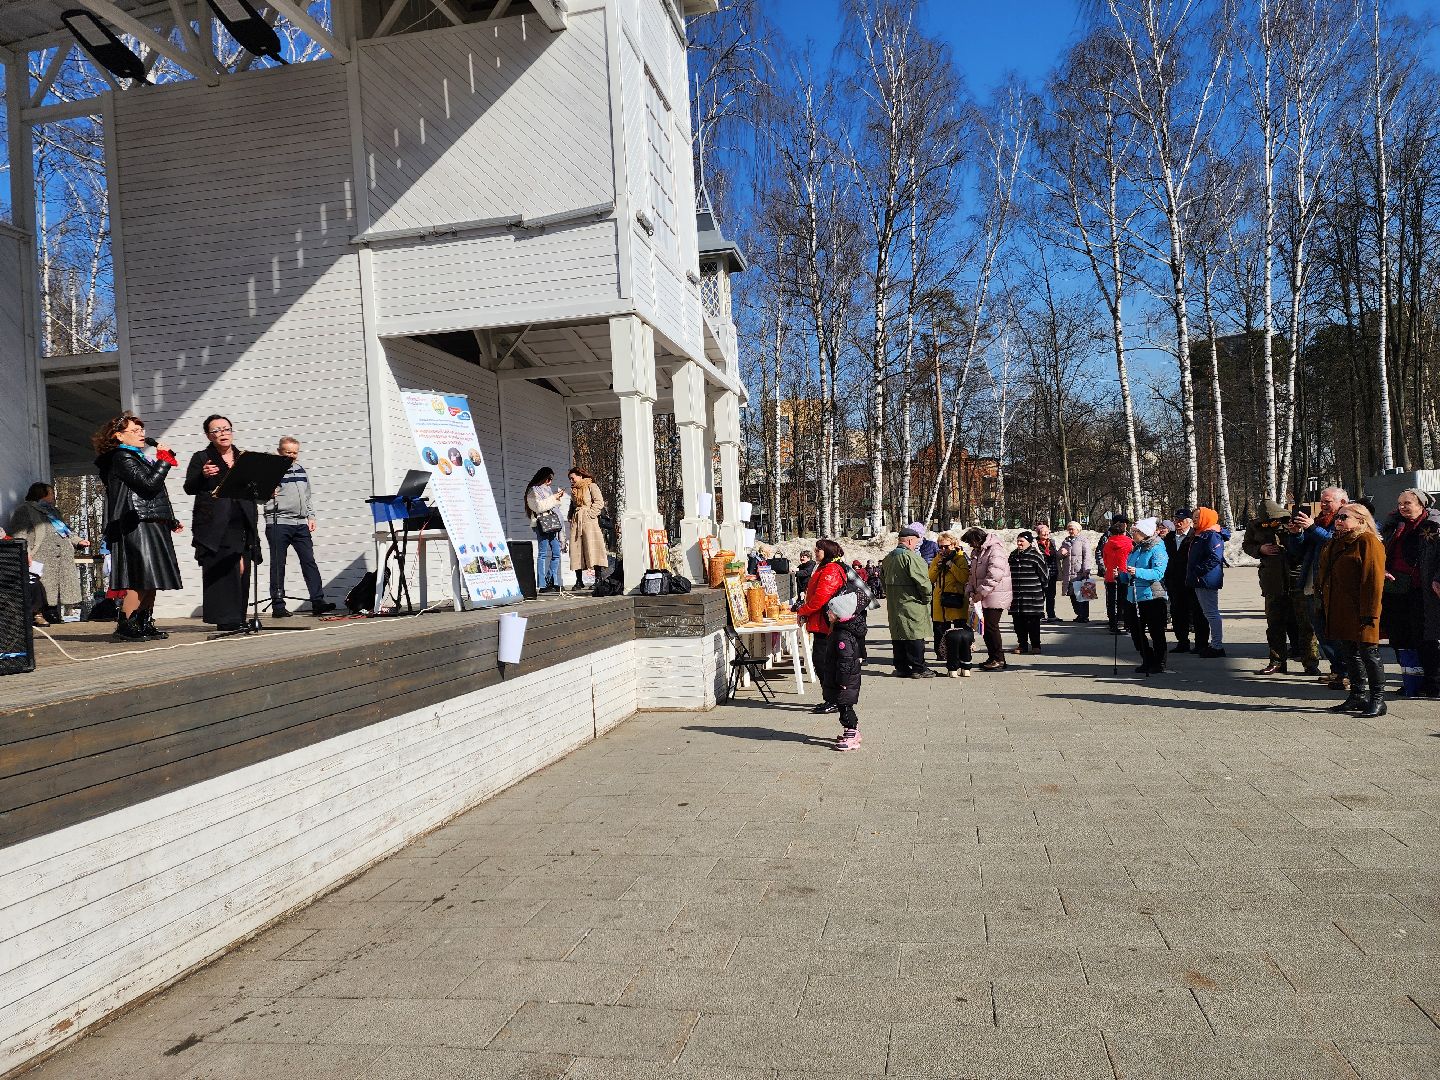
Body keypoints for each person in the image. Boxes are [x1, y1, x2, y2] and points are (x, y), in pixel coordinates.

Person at [93, 412, 182, 641]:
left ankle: (144, 622)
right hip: (135, 522)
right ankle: (127, 625)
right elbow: (149, 485)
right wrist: (164, 461)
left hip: (150, 521)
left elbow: (154, 494)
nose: (141, 434)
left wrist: (169, 518)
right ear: (119, 436)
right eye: (135, 430)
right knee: (139, 577)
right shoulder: (121, 457)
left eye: (142, 430)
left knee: (151, 577)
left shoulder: (137, 457)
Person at [184, 415, 261, 631]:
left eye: (226, 429)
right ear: (209, 435)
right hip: (215, 524)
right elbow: (189, 488)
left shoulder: (243, 457)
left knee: (242, 567)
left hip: (242, 520)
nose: (222, 433)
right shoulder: (201, 458)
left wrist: (266, 489)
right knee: (226, 567)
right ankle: (225, 618)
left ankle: (237, 615)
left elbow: (254, 486)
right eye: (216, 430)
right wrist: (202, 475)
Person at [1318, 503, 1387, 716]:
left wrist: (1370, 612)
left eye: (1344, 517)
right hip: (1341, 607)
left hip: (1362, 609)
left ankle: (1378, 700)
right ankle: (1357, 696)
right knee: (1350, 652)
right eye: (1338, 517)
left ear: (1361, 520)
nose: (1338, 520)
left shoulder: (1368, 541)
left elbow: (1373, 580)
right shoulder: (1336, 541)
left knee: (1369, 652)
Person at [264, 438, 335, 617]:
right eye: (288, 452)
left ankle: (318, 601)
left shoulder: (301, 470)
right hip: (279, 522)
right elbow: (258, 496)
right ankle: (278, 606)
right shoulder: (270, 470)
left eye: (295, 452)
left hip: (300, 524)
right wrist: (267, 492)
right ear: (279, 451)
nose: (292, 456)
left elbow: (307, 496)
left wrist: (311, 516)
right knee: (278, 564)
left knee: (309, 561)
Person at [1379, 488, 1440, 695]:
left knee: (1425, 637)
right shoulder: (1394, 525)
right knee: (1400, 637)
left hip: (1423, 591)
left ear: (1421, 505)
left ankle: (1433, 683)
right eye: (1400, 503)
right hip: (1396, 589)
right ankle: (1411, 680)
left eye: (1407, 503)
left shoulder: (1434, 526)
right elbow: (1383, 551)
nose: (1402, 507)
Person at [1287, 488, 1349, 688]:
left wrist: (1312, 527)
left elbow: (1334, 542)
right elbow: (1298, 551)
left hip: (1334, 586)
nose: (1323, 505)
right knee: (1321, 631)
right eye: (1322, 501)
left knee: (1337, 631)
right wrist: (1296, 534)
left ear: (1342, 501)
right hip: (1312, 584)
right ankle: (1337, 669)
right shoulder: (1319, 520)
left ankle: (1346, 672)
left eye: (1328, 501)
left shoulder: (1347, 519)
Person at [8, 482, 88, 626]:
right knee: (44, 586)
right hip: (41, 556)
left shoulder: (53, 512)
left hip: (61, 557)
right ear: (41, 494)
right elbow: (19, 534)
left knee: (58, 587)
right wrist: (23, 552)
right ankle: (43, 612)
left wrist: (78, 541)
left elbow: (66, 530)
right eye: (51, 493)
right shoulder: (25, 510)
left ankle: (53, 612)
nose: (54, 496)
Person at [796, 538, 847, 713]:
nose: (816, 552)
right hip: (822, 622)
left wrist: (804, 611)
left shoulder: (831, 569)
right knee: (823, 661)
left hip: (826, 624)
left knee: (823, 662)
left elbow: (820, 598)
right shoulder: (826, 567)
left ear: (828, 551)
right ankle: (831, 698)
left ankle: (833, 700)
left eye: (819, 549)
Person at [881, 527, 935, 678]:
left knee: (898, 634)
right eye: (916, 542)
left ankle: (902, 667)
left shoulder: (888, 558)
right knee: (915, 633)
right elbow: (923, 582)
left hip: (894, 603)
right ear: (911, 540)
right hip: (912, 601)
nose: (916, 545)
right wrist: (927, 598)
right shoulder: (911, 558)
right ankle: (919, 668)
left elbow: (882, 581)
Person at [823, 589, 868, 751]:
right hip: (845, 677)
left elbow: (846, 660)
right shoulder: (840, 629)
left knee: (845, 706)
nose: (827, 612)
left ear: (839, 614)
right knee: (843, 704)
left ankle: (852, 732)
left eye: (831, 611)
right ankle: (851, 731)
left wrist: (842, 681)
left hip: (845, 679)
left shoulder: (842, 635)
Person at [963, 527, 1012, 671]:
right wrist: (970, 590)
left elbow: (994, 575)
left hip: (995, 596)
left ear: (977, 539)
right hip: (982, 596)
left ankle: (999, 659)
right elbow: (972, 574)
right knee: (985, 628)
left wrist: (981, 592)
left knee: (991, 627)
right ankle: (993, 657)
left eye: (971, 542)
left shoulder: (995, 550)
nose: (970, 546)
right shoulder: (977, 552)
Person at [1125, 518, 1170, 675]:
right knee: (1136, 632)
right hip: (1134, 596)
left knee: (1156, 632)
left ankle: (1159, 662)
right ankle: (1147, 658)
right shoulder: (1137, 549)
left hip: (1152, 597)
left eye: (1135, 531)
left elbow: (1158, 573)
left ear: (1143, 533)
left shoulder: (1157, 548)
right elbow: (1129, 572)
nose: (1132, 534)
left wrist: (1137, 572)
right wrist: (1122, 575)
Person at [929, 531, 972, 677]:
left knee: (959, 629)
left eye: (945, 547)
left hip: (955, 599)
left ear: (954, 545)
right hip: (940, 600)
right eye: (940, 547)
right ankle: (942, 654)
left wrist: (951, 565)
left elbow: (963, 577)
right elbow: (931, 577)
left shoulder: (960, 558)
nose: (942, 550)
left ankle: (961, 657)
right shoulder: (937, 558)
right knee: (939, 629)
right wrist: (938, 566)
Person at [1186, 506, 1227, 658]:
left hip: (1207, 580)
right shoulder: (1201, 535)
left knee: (1211, 613)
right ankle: (1214, 644)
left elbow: (1215, 557)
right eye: (1194, 517)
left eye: (1197, 517)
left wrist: (1198, 571)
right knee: (1207, 612)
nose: (1194, 520)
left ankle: (1217, 646)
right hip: (1200, 579)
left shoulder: (1211, 536)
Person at [524, 467, 566, 595]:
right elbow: (538, 507)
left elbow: (554, 506)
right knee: (542, 553)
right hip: (541, 524)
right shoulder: (532, 490)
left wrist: (558, 498)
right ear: (543, 477)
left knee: (557, 552)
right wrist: (553, 498)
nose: (550, 482)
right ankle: (542, 584)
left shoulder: (547, 490)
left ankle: (551, 580)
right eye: (549, 479)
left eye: (551, 479)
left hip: (552, 524)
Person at [1008, 531, 1050, 655]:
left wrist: (1042, 591)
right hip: (1016, 596)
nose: (1019, 543)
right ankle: (1022, 644)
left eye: (1022, 541)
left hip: (1032, 595)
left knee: (1033, 622)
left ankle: (1036, 645)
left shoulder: (1035, 555)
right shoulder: (1013, 555)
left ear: (1029, 542)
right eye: (1018, 541)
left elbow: (1044, 575)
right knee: (1018, 622)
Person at [567, 468, 608, 589]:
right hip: (577, 520)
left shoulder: (591, 486)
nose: (571, 481)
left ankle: (598, 579)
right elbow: (573, 506)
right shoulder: (574, 490)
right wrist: (570, 516)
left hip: (589, 521)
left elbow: (599, 502)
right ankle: (579, 580)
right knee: (576, 549)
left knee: (593, 548)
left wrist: (590, 514)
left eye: (572, 478)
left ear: (580, 476)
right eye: (569, 479)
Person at [1163, 510, 1196, 652]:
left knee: (1194, 612)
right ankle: (1182, 641)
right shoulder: (1169, 537)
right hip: (1174, 581)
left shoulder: (1194, 536)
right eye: (1176, 519)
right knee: (1177, 612)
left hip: (1191, 580)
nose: (1178, 522)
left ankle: (1201, 643)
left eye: (1181, 520)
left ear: (1189, 521)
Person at [1100, 518, 1134, 635]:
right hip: (1125, 573)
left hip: (1111, 574)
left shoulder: (1108, 544)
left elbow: (1104, 559)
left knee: (1112, 601)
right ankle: (1126, 623)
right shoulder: (1129, 542)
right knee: (1125, 599)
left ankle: (1112, 624)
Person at [1058, 520, 1095, 622]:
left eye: (1072, 529)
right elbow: (1059, 555)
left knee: (1082, 595)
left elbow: (1087, 556)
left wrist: (1086, 570)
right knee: (1072, 595)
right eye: (1069, 529)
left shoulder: (1083, 540)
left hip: (1079, 572)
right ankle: (1079, 614)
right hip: (1068, 573)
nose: (1070, 531)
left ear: (1078, 530)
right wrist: (1061, 553)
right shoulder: (1065, 541)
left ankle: (1084, 616)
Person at [1033, 523, 1062, 622]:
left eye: (1047, 531)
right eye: (1043, 531)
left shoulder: (1052, 542)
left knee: (1051, 595)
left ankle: (1051, 615)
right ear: (1038, 533)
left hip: (1052, 572)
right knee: (1040, 595)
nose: (1046, 533)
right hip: (1040, 573)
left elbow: (1056, 556)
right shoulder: (1035, 543)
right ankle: (1040, 615)